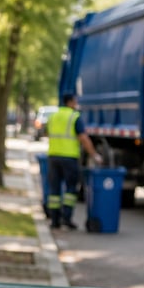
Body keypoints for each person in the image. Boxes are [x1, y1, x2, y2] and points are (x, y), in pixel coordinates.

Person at [46, 94, 102, 230]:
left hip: (53, 157)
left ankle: (54, 220)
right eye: (75, 101)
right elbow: (83, 138)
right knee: (70, 189)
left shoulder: (53, 116)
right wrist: (94, 155)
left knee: (54, 190)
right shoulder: (74, 117)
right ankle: (66, 218)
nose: (76, 104)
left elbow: (48, 134)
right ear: (70, 102)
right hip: (69, 158)